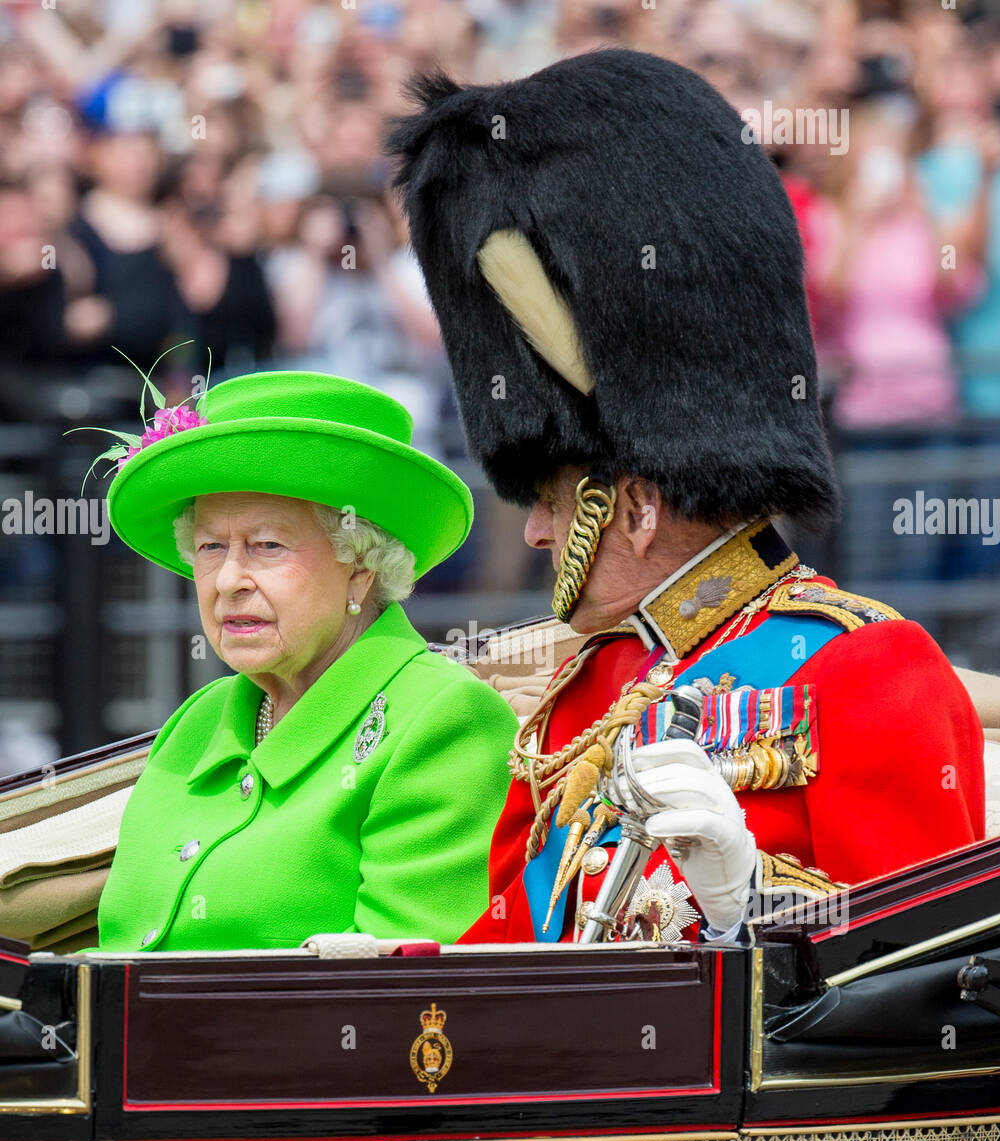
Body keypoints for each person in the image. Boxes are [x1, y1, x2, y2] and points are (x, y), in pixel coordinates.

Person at [384, 48, 986, 946]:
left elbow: (919, 986)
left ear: (637, 503)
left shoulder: (869, 672)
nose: (539, 531)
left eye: (550, 496)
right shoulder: (578, 694)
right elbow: (503, 953)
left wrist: (749, 901)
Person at [95, 369, 518, 950]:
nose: (227, 580)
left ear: (362, 565)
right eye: (211, 547)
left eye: (267, 545)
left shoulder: (443, 721)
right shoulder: (195, 723)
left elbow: (403, 994)